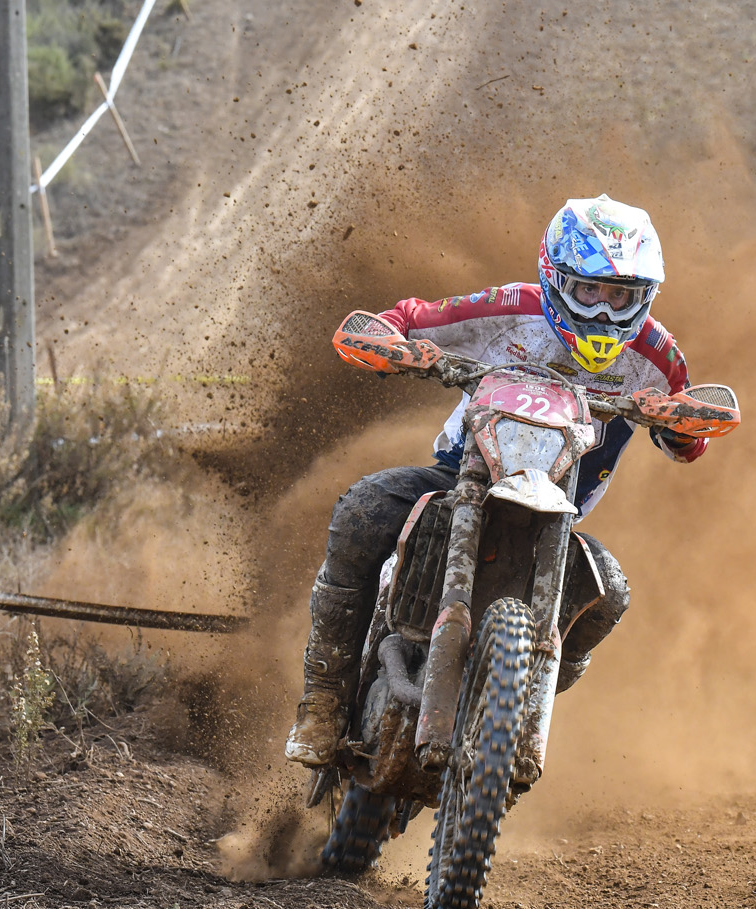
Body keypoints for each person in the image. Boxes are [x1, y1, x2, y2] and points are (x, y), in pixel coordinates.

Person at [285, 194, 710, 767]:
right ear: (556, 277)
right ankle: (323, 699)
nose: (605, 312)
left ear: (645, 296)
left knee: (608, 595)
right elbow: (409, 317)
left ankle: (515, 704)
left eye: (621, 297)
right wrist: (391, 340)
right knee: (363, 513)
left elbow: (688, 437)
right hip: (457, 479)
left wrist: (681, 424)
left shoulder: (657, 354)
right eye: (590, 290)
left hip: (557, 513)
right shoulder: (510, 308)